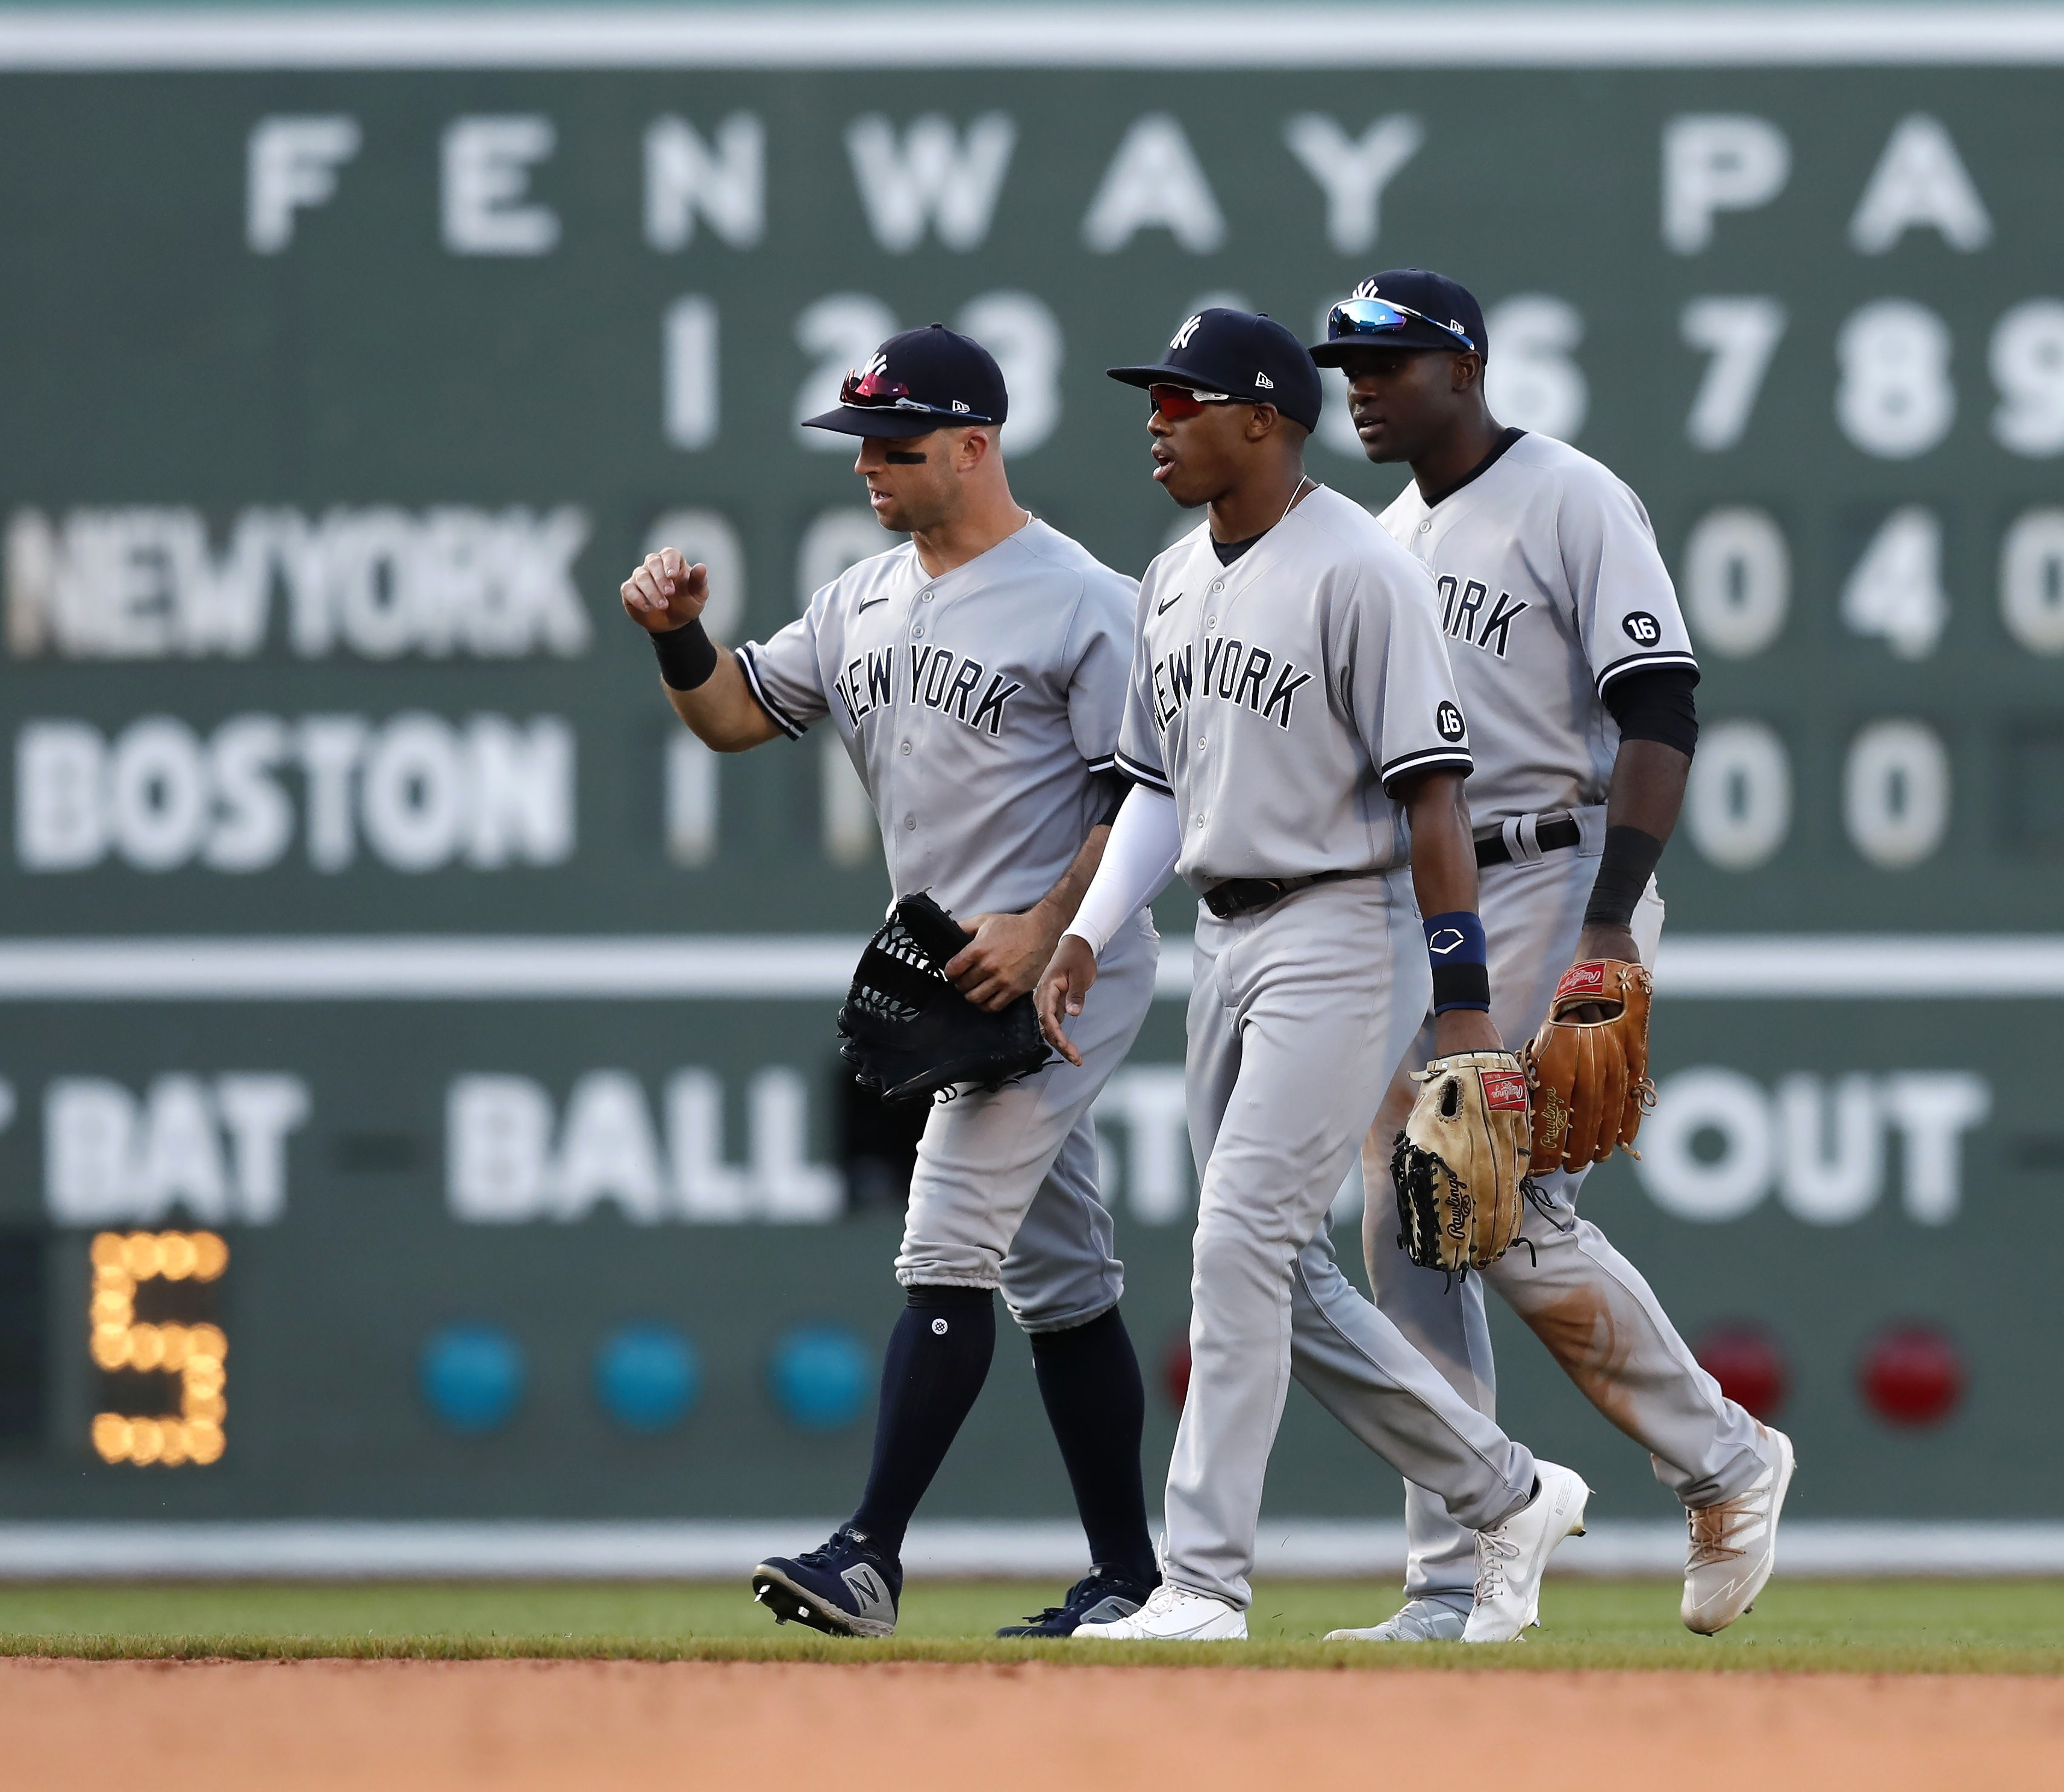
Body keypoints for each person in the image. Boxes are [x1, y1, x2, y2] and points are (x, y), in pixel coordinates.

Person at [1035, 307, 1589, 1643]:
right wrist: (1089, 928)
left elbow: (1435, 799)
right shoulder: (1170, 577)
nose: (1158, 421)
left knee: (1235, 1242)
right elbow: (1155, 788)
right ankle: (1502, 1490)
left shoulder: (1359, 570)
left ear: (1266, 419)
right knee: (1272, 1268)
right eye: (1153, 398)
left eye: (1185, 399)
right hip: (1223, 935)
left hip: (1345, 930)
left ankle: (1204, 1582)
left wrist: (1461, 1005)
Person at [620, 323, 1161, 1640]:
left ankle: (868, 1554)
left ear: (975, 447)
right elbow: (738, 715)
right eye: (861, 441)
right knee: (1065, 1284)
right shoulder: (861, 596)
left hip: (1063, 964)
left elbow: (1144, 787)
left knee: (943, 1245)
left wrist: (1045, 929)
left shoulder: (1080, 596)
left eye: (897, 444)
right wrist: (680, 641)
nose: (870, 465)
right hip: (947, 973)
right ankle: (1131, 1581)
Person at [1309, 270, 1795, 1641]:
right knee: (1415, 1225)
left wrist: (1609, 922)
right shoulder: (1384, 535)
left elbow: (1659, 706)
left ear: (1464, 368)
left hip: (1565, 866)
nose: (1360, 384)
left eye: (1387, 362)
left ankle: (1723, 1459)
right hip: (1439, 893)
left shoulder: (1570, 496)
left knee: (1501, 1200)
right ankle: (1459, 1572)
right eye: (1347, 362)